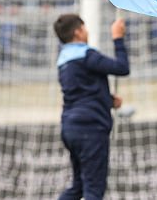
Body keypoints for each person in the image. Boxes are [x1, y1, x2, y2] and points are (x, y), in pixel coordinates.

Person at [53, 14, 130, 200]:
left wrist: (107, 100)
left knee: (78, 186)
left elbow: (81, 92)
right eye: (84, 28)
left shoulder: (63, 60)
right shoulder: (86, 55)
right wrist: (118, 38)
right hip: (90, 128)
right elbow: (122, 68)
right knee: (94, 190)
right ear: (78, 32)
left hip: (71, 128)